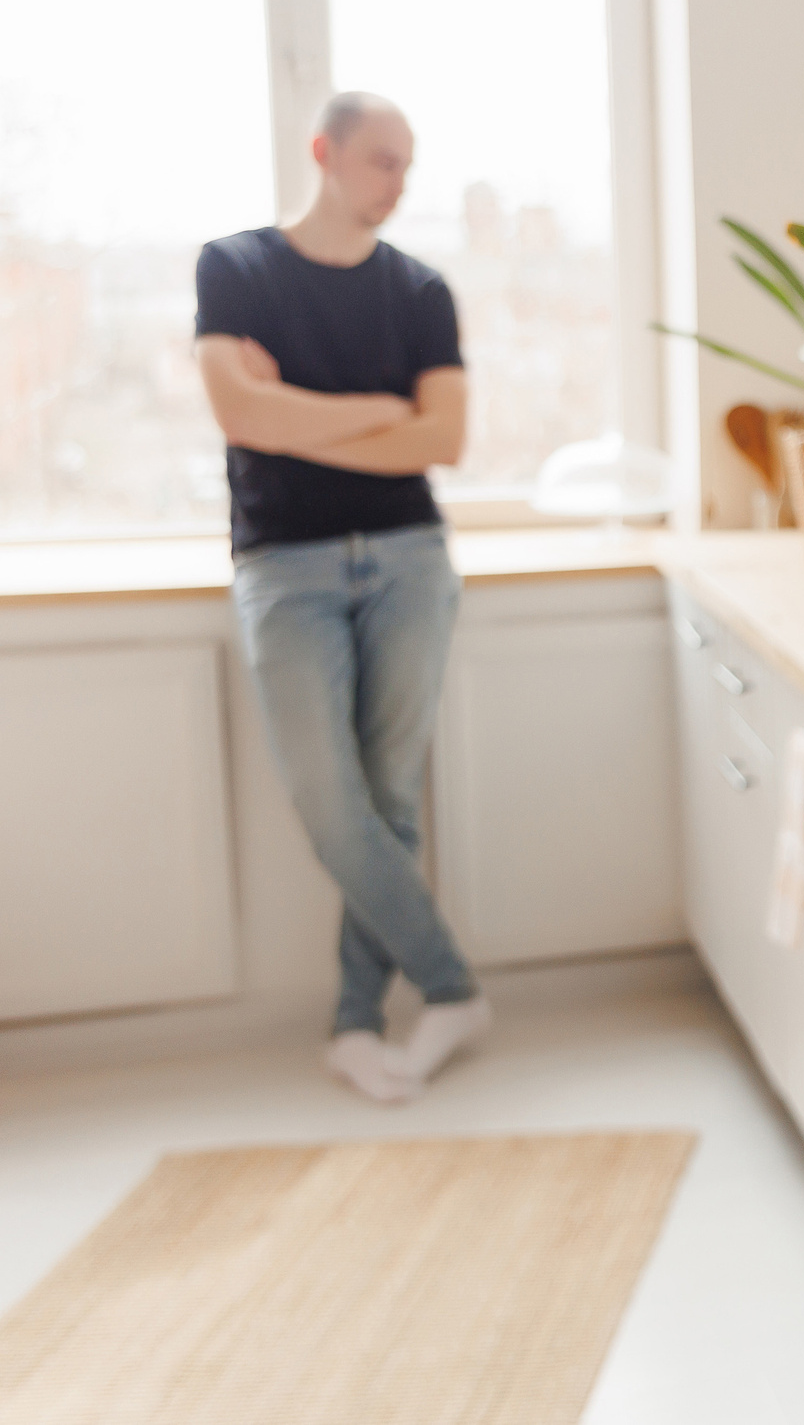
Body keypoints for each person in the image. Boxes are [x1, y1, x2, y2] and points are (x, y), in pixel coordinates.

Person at [196, 92, 492, 1105]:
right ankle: (451, 986)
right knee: (332, 799)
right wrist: (374, 410)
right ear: (323, 153)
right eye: (379, 161)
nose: (397, 183)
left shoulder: (420, 290)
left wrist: (294, 416)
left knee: (390, 798)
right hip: (285, 567)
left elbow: (441, 441)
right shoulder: (234, 268)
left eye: (407, 166)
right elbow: (237, 412)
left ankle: (357, 1022)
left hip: (410, 556)